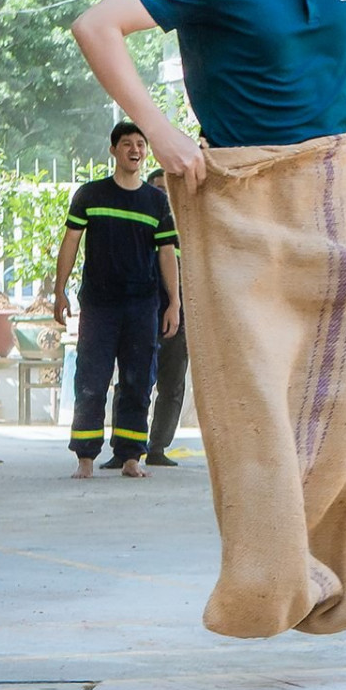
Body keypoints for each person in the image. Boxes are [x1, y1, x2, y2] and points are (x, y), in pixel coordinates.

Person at [73, 0, 346, 637]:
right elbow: (97, 25)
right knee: (254, 402)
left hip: (332, 189)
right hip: (243, 205)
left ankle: (321, 574)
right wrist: (163, 130)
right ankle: (269, 579)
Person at [52, 123, 180, 479]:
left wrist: (174, 303)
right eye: (127, 144)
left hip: (143, 306)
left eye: (141, 144)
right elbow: (71, 242)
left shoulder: (157, 202)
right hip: (99, 304)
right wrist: (59, 289)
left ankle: (130, 457)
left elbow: (167, 253)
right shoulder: (91, 195)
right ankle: (85, 457)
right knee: (91, 380)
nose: (135, 150)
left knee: (139, 381)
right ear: (113, 150)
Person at [144, 167, 188, 468]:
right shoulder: (142, 224)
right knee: (135, 381)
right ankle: (127, 445)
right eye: (157, 188)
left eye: (167, 188)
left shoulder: (189, 226)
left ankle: (157, 447)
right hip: (142, 310)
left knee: (172, 384)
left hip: (179, 314)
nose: (163, 193)